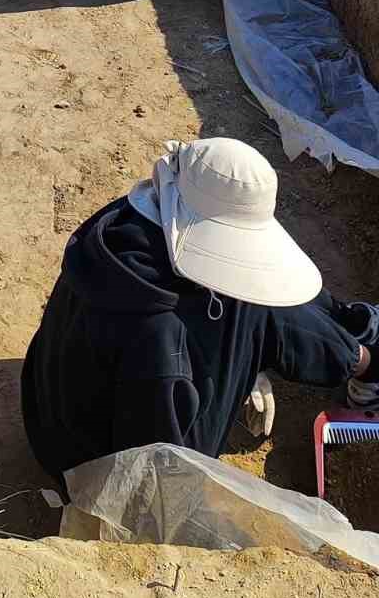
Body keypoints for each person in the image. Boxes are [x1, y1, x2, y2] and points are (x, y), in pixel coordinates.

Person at [21, 136, 379, 486]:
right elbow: (158, 480)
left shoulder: (126, 221)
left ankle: (356, 342)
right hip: (95, 478)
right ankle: (365, 359)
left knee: (257, 287)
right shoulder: (164, 347)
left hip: (47, 424)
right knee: (254, 305)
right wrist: (239, 361)